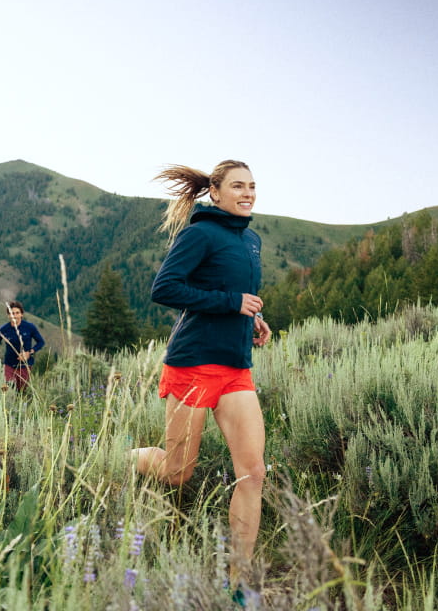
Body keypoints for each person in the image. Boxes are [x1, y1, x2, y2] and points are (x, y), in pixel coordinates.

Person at [131, 160, 271, 598]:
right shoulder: (200, 233)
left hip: (235, 369)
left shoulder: (251, 240)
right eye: (237, 186)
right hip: (192, 364)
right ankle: (125, 458)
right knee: (177, 473)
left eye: (252, 186)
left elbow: (235, 295)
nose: (247, 192)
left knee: (252, 473)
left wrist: (254, 317)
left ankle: (238, 585)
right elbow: (165, 288)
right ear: (215, 191)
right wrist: (233, 302)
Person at [0, 301, 45, 392]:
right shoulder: (4, 329)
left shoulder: (29, 327)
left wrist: (29, 353)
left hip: (25, 365)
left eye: (17, 313)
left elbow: (41, 342)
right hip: (9, 365)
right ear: (8, 315)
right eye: (12, 313)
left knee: (22, 392)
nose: (14, 316)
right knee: (9, 389)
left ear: (22, 314)